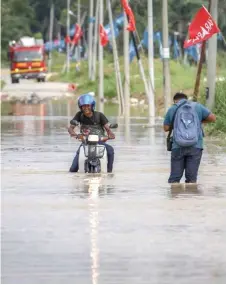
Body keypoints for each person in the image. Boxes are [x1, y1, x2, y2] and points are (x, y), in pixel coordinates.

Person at [163, 92, 216, 183]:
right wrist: (198, 121)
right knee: (191, 179)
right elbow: (213, 118)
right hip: (196, 145)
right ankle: (190, 196)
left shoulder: (173, 108)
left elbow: (166, 128)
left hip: (178, 146)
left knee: (175, 178)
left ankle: (175, 196)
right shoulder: (198, 107)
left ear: (175, 100)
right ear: (186, 99)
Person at [68, 93, 115, 173]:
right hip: (85, 142)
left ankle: (109, 171)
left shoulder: (99, 115)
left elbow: (107, 127)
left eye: (88, 106)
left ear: (92, 106)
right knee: (73, 169)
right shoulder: (79, 115)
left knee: (110, 150)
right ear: (80, 107)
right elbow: (71, 127)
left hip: (99, 142)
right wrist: (74, 134)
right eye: (84, 106)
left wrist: (110, 133)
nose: (86, 108)